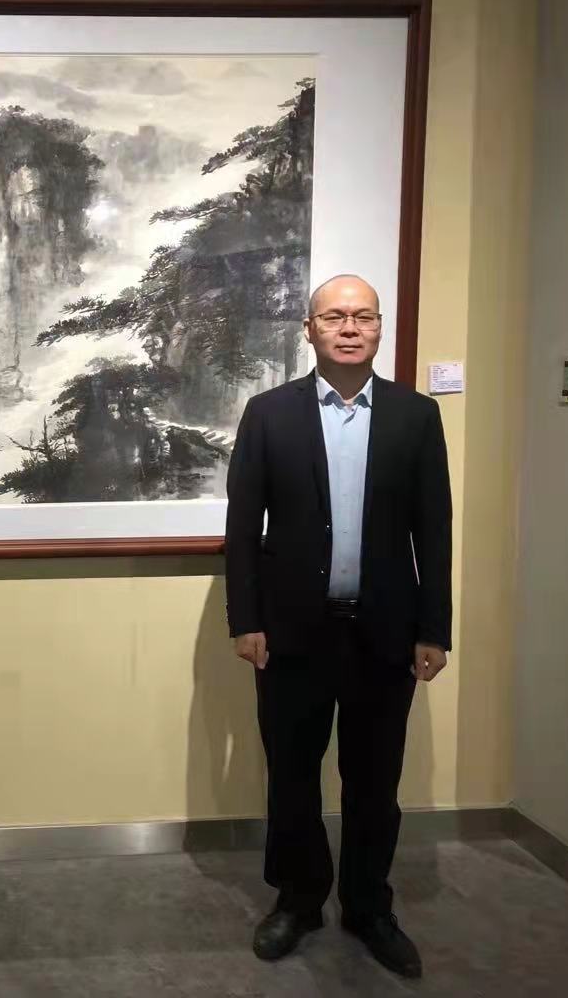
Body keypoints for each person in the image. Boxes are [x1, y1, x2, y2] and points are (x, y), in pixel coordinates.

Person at [224, 274, 452, 980]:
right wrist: (246, 619)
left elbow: (434, 531)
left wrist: (434, 629)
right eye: (334, 317)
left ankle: (369, 906)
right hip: (292, 633)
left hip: (384, 633)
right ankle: (298, 899)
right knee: (292, 777)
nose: (349, 328)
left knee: (375, 783)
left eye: (362, 317)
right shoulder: (268, 414)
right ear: (310, 330)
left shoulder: (416, 417)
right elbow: (242, 528)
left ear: (379, 328)